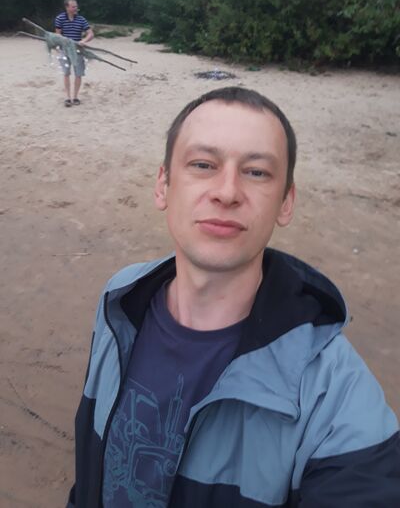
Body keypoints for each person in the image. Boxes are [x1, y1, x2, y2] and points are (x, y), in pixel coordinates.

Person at [66, 87, 400, 508]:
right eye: (203, 165)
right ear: (163, 185)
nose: (227, 192)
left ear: (286, 202)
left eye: (256, 172)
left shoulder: (332, 391)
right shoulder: (120, 301)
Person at [55, 0, 94, 107]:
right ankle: (68, 98)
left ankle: (75, 97)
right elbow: (58, 34)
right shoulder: (59, 18)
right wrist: (63, 42)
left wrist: (83, 41)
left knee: (78, 74)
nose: (75, 8)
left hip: (78, 50)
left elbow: (91, 34)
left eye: (76, 6)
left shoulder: (81, 19)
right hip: (64, 50)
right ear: (67, 7)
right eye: (73, 7)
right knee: (66, 73)